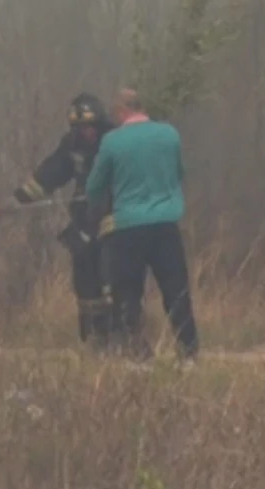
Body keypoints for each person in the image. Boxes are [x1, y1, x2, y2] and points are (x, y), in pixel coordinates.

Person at [83, 88, 199, 362]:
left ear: (122, 112)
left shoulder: (113, 142)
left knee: (128, 292)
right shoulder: (169, 134)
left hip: (129, 227)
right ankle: (189, 351)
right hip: (166, 224)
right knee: (176, 290)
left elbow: (94, 187)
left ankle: (138, 354)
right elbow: (179, 173)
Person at [12, 93, 117, 348]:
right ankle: (91, 337)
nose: (86, 133)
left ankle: (121, 333)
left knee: (113, 279)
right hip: (84, 220)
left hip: (114, 220)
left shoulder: (114, 142)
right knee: (84, 279)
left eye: (89, 127)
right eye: (80, 128)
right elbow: (52, 172)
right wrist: (19, 198)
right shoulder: (72, 146)